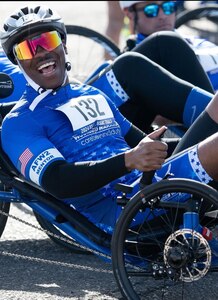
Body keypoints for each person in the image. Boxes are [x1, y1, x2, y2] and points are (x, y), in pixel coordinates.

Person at [1, 4, 218, 234]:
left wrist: (195, 141)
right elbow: (58, 181)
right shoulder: (19, 122)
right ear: (18, 62)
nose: (41, 53)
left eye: (48, 40)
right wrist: (127, 160)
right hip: (126, 210)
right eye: (27, 49)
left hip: (152, 186)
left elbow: (147, 144)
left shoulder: (92, 93)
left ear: (64, 44)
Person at [119, 1, 218, 92]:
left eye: (168, 7)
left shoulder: (198, 42)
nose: (163, 16)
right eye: (151, 10)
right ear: (129, 13)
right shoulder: (129, 61)